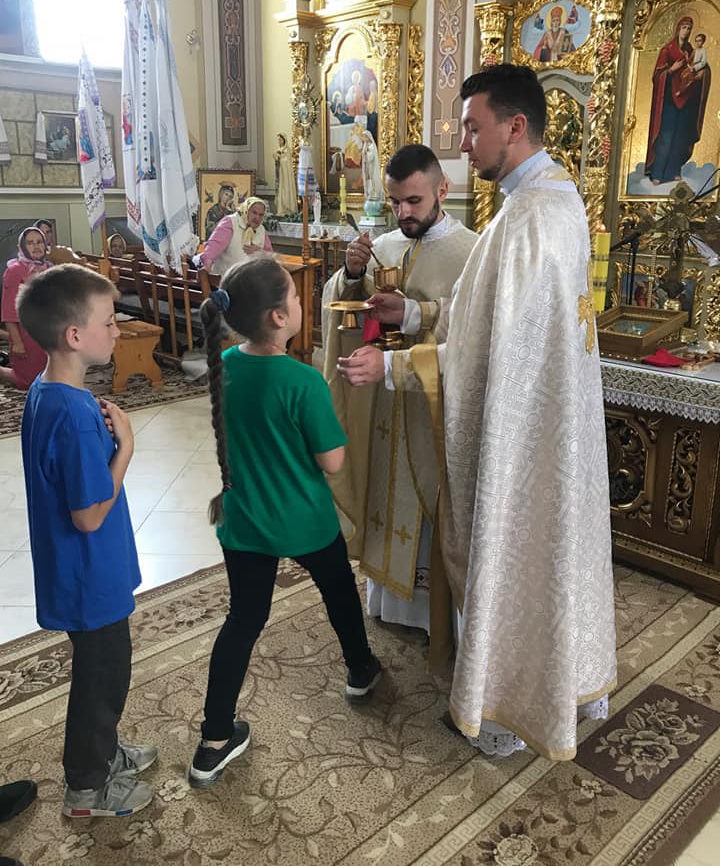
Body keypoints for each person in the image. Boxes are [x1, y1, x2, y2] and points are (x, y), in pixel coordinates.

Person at [337, 64, 617, 761]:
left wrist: (393, 365)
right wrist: (415, 318)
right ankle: (547, 689)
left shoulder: (525, 220)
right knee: (543, 559)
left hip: (522, 436)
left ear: (514, 127)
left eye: (472, 127)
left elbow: (479, 355)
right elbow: (487, 326)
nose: (463, 143)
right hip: (548, 428)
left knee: (512, 555)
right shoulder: (558, 201)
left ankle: (504, 712)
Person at [189, 258, 381, 787]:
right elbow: (333, 462)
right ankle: (360, 669)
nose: (300, 304)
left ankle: (214, 738)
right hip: (305, 520)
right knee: (338, 591)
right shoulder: (303, 381)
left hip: (245, 520)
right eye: (295, 299)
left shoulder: (224, 363)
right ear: (278, 317)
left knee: (243, 619)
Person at [16, 264, 157, 816]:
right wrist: (125, 448)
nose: (118, 330)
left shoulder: (46, 392)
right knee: (104, 678)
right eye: (109, 322)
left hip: (75, 570)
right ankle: (86, 785)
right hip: (88, 574)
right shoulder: (74, 415)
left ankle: (101, 753)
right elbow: (90, 516)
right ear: (75, 335)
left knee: (99, 672)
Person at [322, 144, 477, 633]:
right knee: (385, 492)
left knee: (430, 498)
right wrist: (351, 274)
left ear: (442, 190)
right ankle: (389, 602)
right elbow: (342, 307)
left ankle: (435, 616)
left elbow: (473, 331)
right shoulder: (385, 247)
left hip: (433, 408)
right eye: (395, 202)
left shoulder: (472, 253)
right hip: (384, 403)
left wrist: (412, 313)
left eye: (414, 201)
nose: (403, 212)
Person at [645, 16, 711, 185]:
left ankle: (674, 170)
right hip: (668, 100)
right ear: (678, 29)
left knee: (680, 137)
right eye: (684, 27)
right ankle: (658, 173)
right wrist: (670, 70)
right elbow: (657, 76)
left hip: (686, 99)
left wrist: (702, 74)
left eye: (689, 28)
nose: (686, 31)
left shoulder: (691, 50)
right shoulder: (667, 50)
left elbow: (702, 66)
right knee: (666, 136)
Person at [0, 227, 51, 391]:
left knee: (51, 378)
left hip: (50, 332)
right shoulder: (14, 270)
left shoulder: (50, 269)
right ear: (22, 247)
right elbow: (8, 311)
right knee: (28, 382)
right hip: (25, 334)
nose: (36, 246)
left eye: (39, 242)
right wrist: (17, 342)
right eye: (30, 243)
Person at [195, 196, 273, 276]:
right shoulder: (230, 223)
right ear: (246, 210)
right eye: (254, 213)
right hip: (225, 279)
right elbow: (212, 248)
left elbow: (271, 258)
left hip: (251, 280)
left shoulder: (261, 230)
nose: (257, 218)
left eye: (261, 215)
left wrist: (261, 253)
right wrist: (206, 268)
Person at [274, 132, 298, 216]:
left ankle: (288, 208)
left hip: (286, 176)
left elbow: (286, 161)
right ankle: (281, 209)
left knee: (286, 190)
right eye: (278, 140)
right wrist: (276, 156)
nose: (279, 142)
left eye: (280, 140)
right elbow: (276, 158)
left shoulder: (287, 150)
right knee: (280, 190)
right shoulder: (279, 149)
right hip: (280, 174)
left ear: (284, 140)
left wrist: (280, 157)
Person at [361, 130, 384, 204]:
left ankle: (373, 192)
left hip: (371, 165)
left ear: (368, 137)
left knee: (371, 177)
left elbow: (371, 157)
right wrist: (365, 152)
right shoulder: (365, 145)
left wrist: (367, 152)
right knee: (367, 177)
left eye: (364, 137)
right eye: (363, 137)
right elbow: (363, 155)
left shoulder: (371, 146)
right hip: (366, 164)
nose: (363, 138)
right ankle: (368, 192)